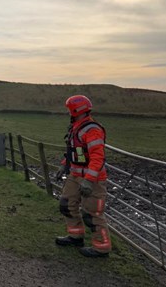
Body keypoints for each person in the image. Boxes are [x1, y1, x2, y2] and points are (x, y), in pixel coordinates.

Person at [55, 95, 111, 258]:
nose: (67, 113)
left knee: (92, 214)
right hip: (75, 174)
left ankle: (102, 248)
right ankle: (75, 237)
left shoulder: (92, 129)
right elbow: (75, 150)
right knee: (66, 205)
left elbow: (97, 157)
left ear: (75, 110)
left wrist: (89, 180)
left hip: (92, 180)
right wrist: (64, 164)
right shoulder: (77, 127)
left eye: (69, 110)